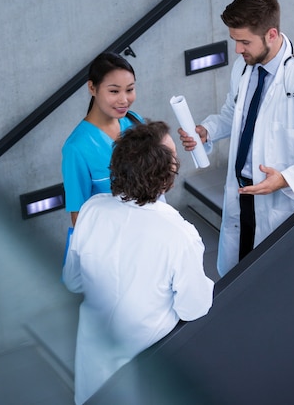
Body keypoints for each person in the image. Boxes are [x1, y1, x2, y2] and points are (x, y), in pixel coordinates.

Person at [179, 0, 294, 276]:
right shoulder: (244, 67)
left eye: (244, 41)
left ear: (271, 34)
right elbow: (233, 113)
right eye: (235, 41)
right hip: (242, 195)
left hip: (280, 200)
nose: (237, 50)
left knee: (270, 283)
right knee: (236, 277)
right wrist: (207, 131)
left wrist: (286, 179)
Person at [62, 121, 214, 405]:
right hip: (147, 372)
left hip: (91, 369)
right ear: (166, 175)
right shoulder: (180, 235)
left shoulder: (91, 210)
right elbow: (194, 308)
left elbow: (73, 281)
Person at [62, 52, 144, 226]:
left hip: (148, 229)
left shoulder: (135, 122)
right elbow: (79, 216)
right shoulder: (76, 148)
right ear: (92, 88)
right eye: (114, 91)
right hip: (113, 241)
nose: (124, 100)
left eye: (129, 89)